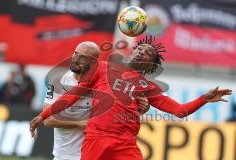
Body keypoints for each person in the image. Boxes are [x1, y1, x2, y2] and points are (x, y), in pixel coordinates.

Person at [30, 37, 232, 160]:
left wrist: (203, 99)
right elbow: (74, 94)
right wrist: (44, 114)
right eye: (140, 48)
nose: (142, 52)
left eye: (148, 54)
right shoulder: (103, 67)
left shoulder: (148, 87)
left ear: (149, 66)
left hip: (124, 144)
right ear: (133, 50)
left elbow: (179, 111)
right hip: (95, 138)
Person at [43, 42, 150, 160]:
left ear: (93, 62)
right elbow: (48, 120)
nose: (75, 59)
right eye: (75, 54)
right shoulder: (57, 81)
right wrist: (79, 124)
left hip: (98, 152)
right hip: (65, 155)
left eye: (82, 57)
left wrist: (141, 109)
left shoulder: (104, 81)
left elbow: (121, 111)